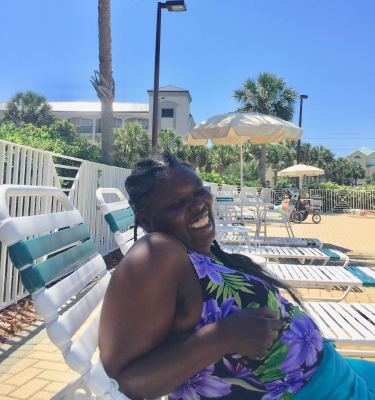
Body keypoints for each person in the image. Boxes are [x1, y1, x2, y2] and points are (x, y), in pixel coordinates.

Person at [98, 152, 375, 400]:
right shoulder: (157, 252)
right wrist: (222, 337)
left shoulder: (194, 250)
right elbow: (121, 381)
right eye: (177, 203)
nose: (198, 204)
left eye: (199, 191)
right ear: (146, 220)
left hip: (338, 375)